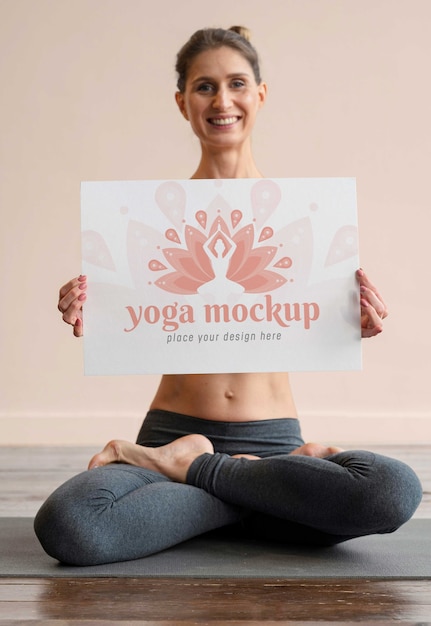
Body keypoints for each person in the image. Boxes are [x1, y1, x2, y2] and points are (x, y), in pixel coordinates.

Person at [34, 26, 422, 566]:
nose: (222, 101)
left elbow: (311, 319)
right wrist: (90, 306)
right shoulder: (146, 220)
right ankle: (254, 496)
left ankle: (195, 475)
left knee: (393, 490)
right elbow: (132, 318)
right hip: (172, 432)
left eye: (237, 83)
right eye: (204, 87)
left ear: (261, 94)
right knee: (70, 525)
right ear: (181, 102)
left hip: (273, 444)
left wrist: (349, 315)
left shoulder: (305, 216)